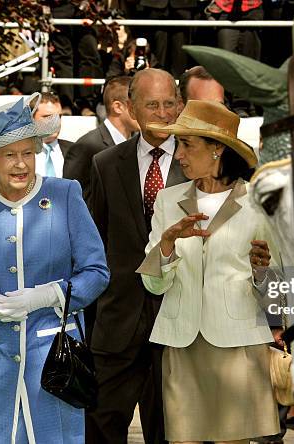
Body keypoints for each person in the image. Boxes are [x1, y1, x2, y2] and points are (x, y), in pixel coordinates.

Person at [0, 94, 110, 443]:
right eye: (9, 155)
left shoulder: (64, 195)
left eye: (27, 153)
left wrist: (49, 295)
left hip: (52, 361)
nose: (21, 165)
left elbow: (96, 272)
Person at [136, 99, 280, 443]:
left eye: (186, 144)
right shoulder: (168, 200)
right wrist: (167, 243)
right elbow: (154, 285)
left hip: (239, 347)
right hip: (182, 344)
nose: (178, 153)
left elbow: (279, 293)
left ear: (217, 149)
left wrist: (262, 273)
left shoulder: (259, 205)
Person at [87, 68, 186, 444]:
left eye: (169, 104)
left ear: (179, 105)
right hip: (117, 324)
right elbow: (95, 244)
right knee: (100, 429)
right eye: (152, 105)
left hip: (179, 324)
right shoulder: (106, 164)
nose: (162, 113)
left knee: (171, 432)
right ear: (131, 108)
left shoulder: (202, 163)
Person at [63, 76, 139, 203]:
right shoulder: (86, 146)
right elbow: (70, 201)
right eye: (136, 105)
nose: (144, 111)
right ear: (118, 107)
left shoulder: (137, 144)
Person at [30, 92, 72, 178]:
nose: (56, 122)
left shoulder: (74, 151)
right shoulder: (19, 153)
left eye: (59, 116)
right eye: (48, 117)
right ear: (31, 119)